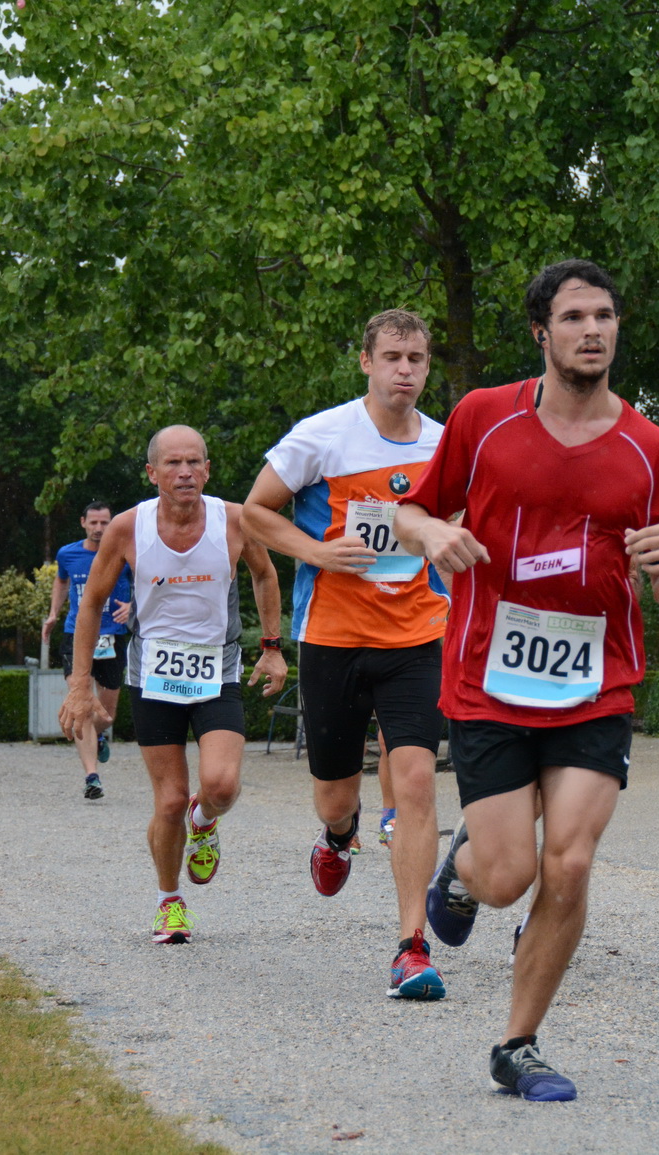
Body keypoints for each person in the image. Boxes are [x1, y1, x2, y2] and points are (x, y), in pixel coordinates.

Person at [399, 259, 659, 1101]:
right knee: (507, 877)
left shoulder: (653, 451)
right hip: (488, 677)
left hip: (595, 683)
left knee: (567, 863)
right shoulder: (483, 417)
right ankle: (463, 867)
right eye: (573, 317)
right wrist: (432, 535)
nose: (592, 330)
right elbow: (411, 509)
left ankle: (518, 1042)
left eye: (604, 315)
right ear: (542, 332)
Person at [240, 308, 451, 1000]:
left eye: (416, 359)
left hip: (417, 634)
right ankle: (338, 835)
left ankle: (412, 947)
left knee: (415, 782)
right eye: (392, 357)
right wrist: (318, 551)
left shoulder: (445, 443)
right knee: (335, 795)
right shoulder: (323, 435)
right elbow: (255, 511)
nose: (404, 371)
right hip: (333, 637)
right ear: (366, 362)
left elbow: (457, 521)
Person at [61, 426, 287, 945]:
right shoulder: (127, 527)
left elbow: (265, 574)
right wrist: (79, 684)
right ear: (152, 473)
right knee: (168, 802)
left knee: (221, 786)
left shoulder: (235, 519)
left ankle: (203, 822)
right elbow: (91, 603)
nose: (184, 472)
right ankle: (169, 902)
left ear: (207, 469)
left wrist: (272, 646)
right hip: (153, 677)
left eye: (194, 462)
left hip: (217, 672)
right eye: (172, 464)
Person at [44, 501, 134, 798]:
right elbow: (61, 581)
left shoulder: (124, 551)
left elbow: (149, 582)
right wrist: (53, 613)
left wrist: (132, 605)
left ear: (112, 523)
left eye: (104, 523)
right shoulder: (67, 554)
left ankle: (99, 735)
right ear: (83, 522)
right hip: (76, 635)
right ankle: (91, 777)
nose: (98, 528)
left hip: (112, 636)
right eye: (93, 522)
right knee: (81, 704)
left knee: (106, 715)